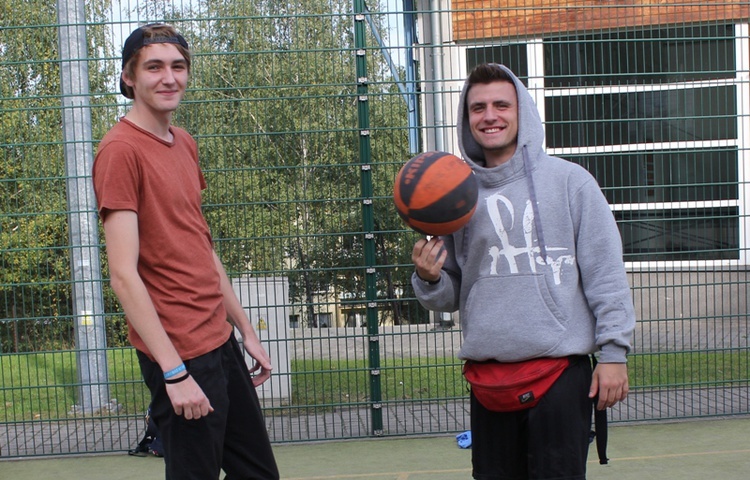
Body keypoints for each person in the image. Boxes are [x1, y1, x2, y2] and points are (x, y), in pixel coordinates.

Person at [411, 63, 635, 479]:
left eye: (501, 104)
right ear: (467, 119)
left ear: (522, 112)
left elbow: (606, 273)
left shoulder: (571, 183)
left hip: (559, 373)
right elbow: (453, 293)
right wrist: (429, 279)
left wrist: (613, 353)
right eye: (478, 107)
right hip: (490, 378)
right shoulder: (455, 197)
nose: (489, 116)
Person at [93, 23, 279, 479]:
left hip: (219, 341)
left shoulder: (184, 143)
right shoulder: (120, 151)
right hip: (179, 352)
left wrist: (245, 329)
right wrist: (175, 374)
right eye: (153, 67)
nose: (169, 77)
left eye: (178, 66)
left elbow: (200, 244)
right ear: (129, 78)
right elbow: (123, 275)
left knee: (259, 474)